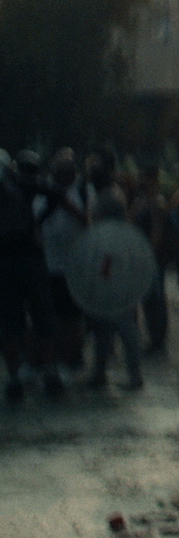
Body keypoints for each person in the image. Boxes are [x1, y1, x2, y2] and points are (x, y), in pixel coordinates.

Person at [83, 150, 145, 391]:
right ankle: (100, 372)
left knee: (122, 322)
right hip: (110, 264)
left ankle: (134, 374)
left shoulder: (109, 198)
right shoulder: (109, 195)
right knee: (103, 323)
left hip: (113, 265)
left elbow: (108, 235)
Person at [0, 151, 57, 403]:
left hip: (9, 261)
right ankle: (48, 373)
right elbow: (55, 194)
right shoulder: (23, 185)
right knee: (41, 317)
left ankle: (16, 378)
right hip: (29, 260)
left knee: (12, 324)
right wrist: (38, 222)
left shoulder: (18, 185)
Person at [34, 148, 91, 397]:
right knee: (47, 317)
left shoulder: (83, 192)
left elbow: (92, 223)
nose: (65, 176)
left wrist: (70, 207)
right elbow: (33, 220)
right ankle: (48, 364)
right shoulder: (41, 191)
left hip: (74, 267)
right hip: (48, 266)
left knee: (71, 319)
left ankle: (67, 362)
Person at [130, 163, 172, 353]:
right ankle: (153, 336)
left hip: (153, 257)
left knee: (155, 298)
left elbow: (157, 232)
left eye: (144, 177)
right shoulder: (142, 201)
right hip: (142, 255)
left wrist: (149, 253)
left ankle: (158, 338)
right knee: (148, 299)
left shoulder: (157, 202)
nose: (140, 181)